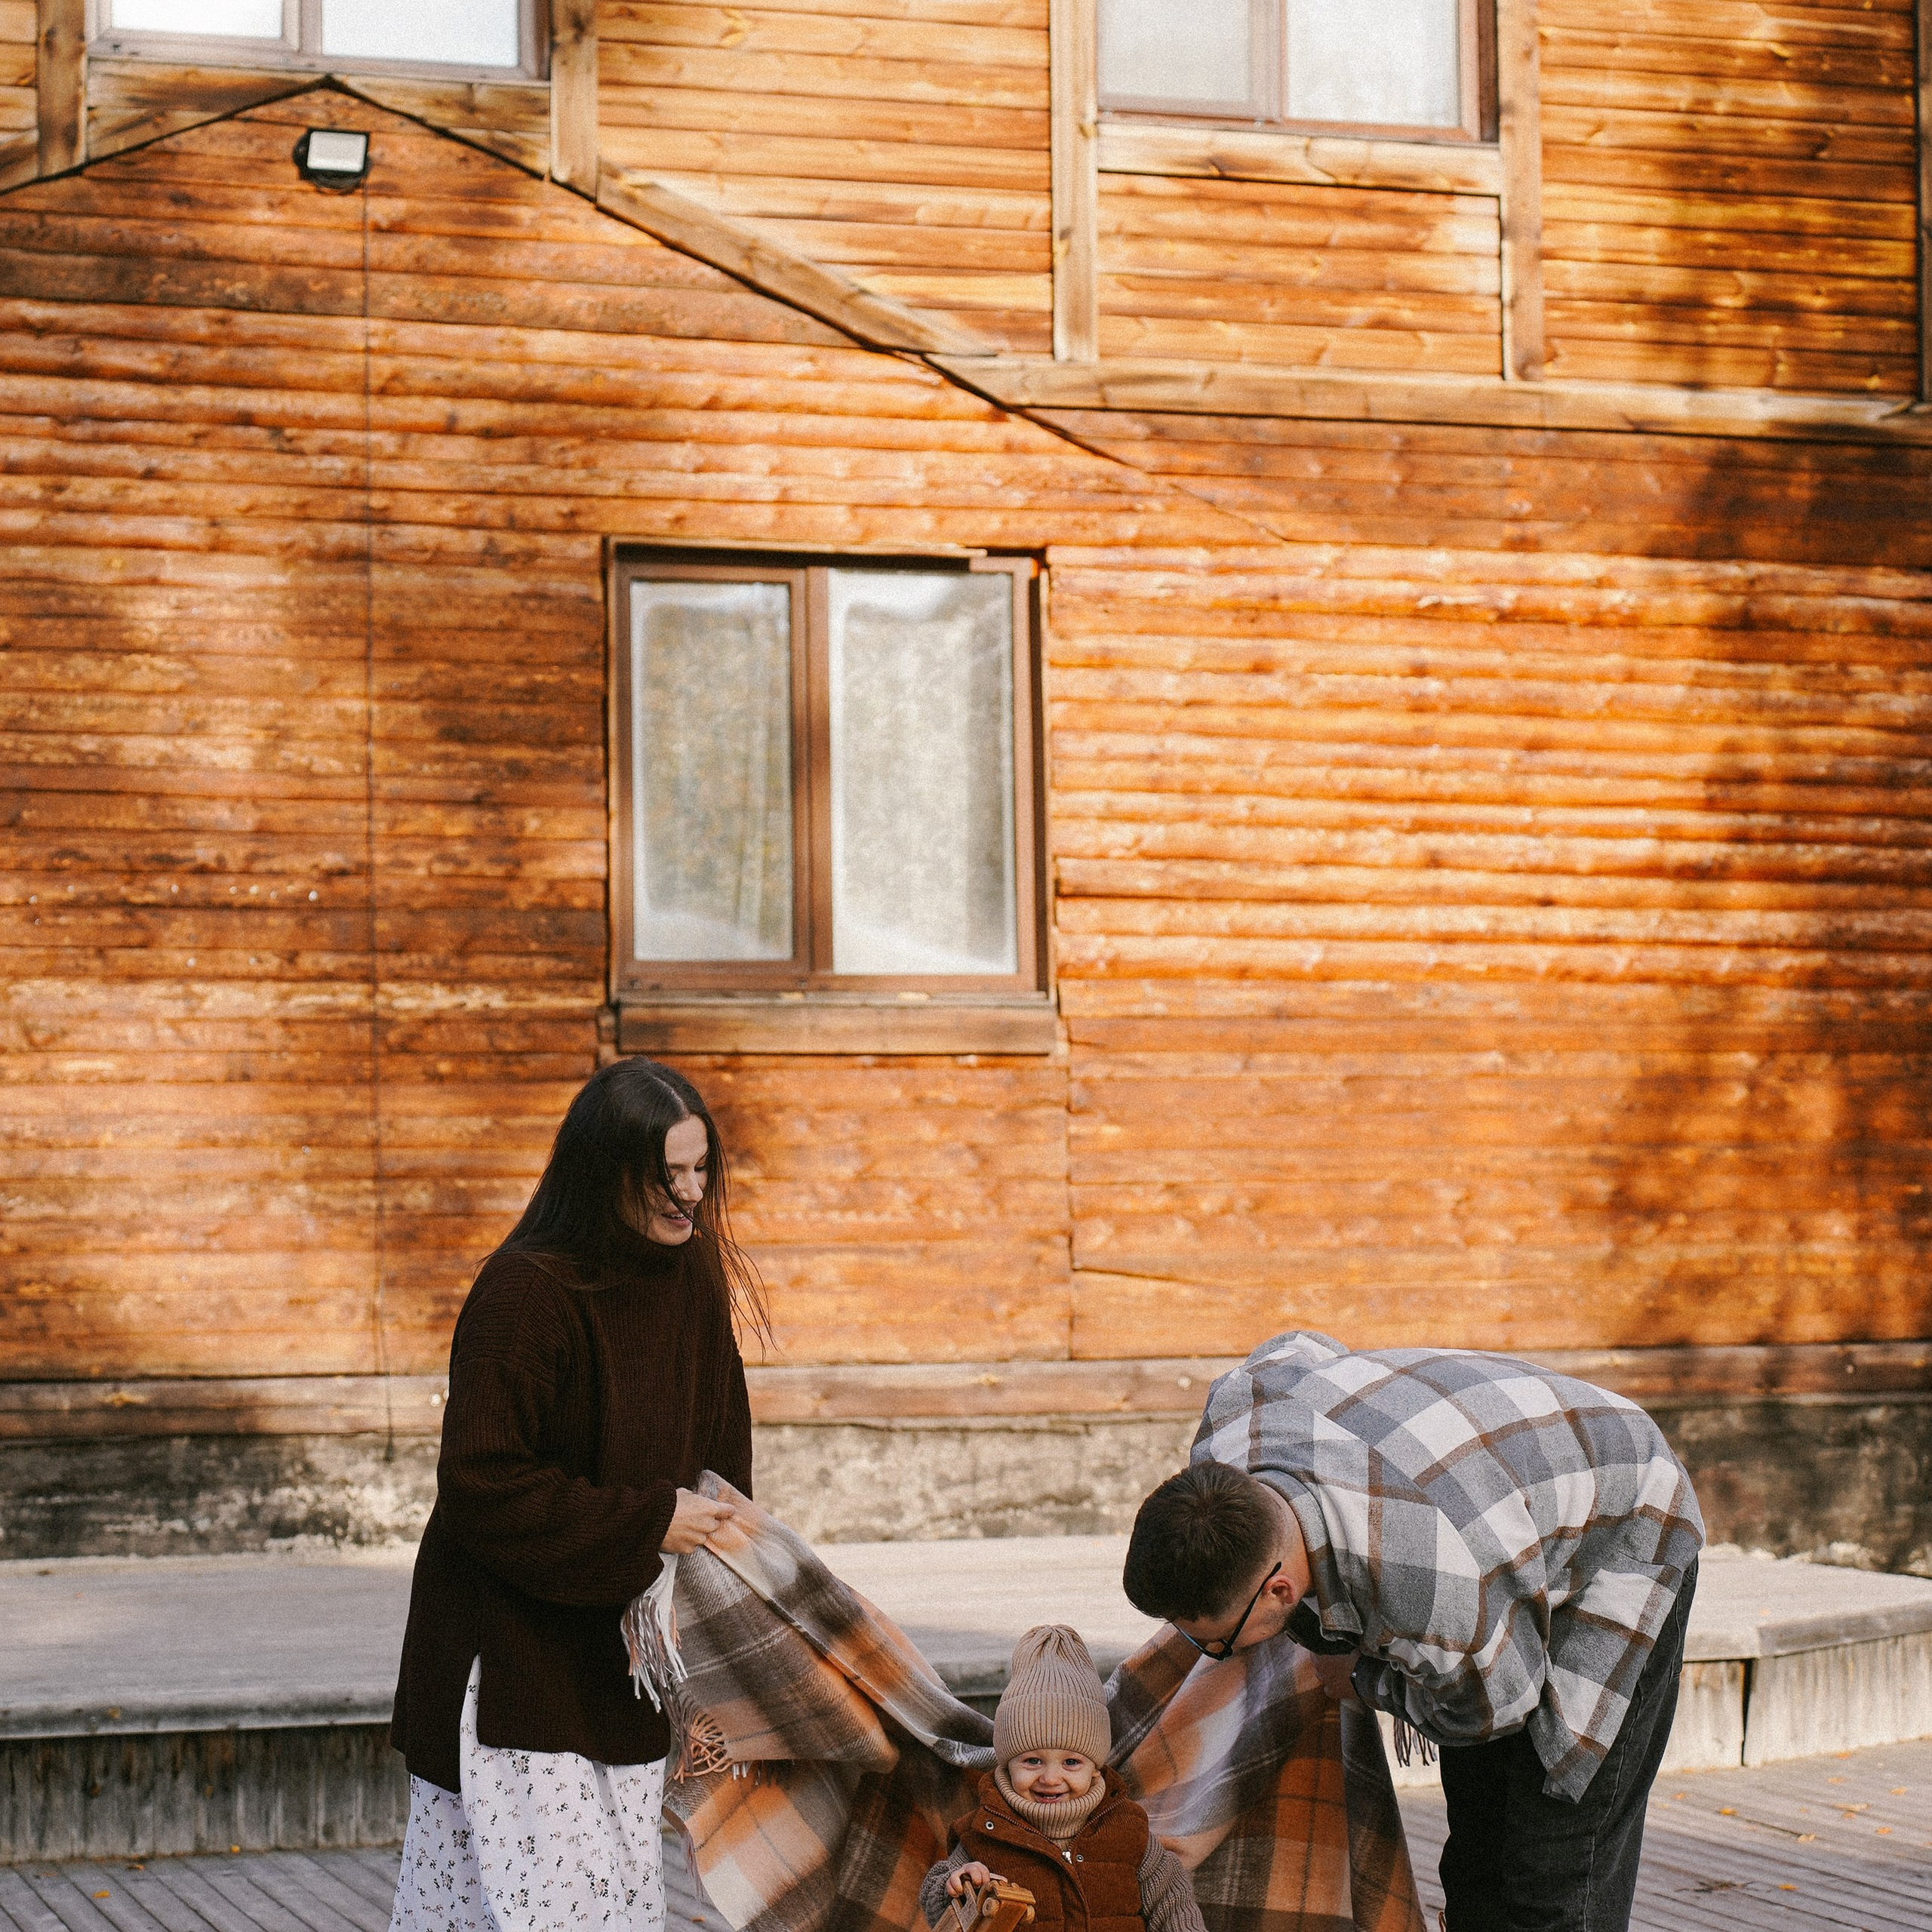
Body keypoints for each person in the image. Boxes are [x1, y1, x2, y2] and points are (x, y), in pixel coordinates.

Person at [1121, 1332, 1705, 1932]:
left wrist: (1365, 1678)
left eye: (1219, 1642)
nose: (1212, 1656)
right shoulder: (1231, 1427)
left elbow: (1499, 1706)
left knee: (1553, 1862)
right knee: (1477, 1853)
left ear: (1279, 1591)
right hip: (1486, 1490)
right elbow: (1296, 1347)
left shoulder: (1431, 1583)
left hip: (1626, 1515)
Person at [386, 1059, 767, 1932]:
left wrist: (707, 1587)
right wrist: (649, 1523)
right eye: (665, 1174)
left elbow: (719, 1472)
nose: (690, 1195)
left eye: (700, 1168)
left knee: (614, 1912)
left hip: (618, 1666)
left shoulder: (693, 1283)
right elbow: (481, 1482)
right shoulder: (527, 1292)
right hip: (513, 1670)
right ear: (604, 1172)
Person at [919, 1626, 1206, 1932]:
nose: (1051, 1778)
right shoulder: (984, 1833)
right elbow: (936, 1899)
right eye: (1032, 1761)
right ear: (1007, 1764)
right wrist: (961, 1884)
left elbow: (1172, 1902)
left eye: (1071, 1762)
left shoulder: (1127, 1829)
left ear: (1095, 1767)